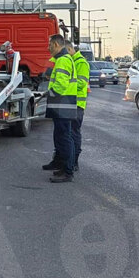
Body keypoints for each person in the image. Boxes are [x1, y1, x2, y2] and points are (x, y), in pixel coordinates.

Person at [42, 35, 77, 183]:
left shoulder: (63, 60)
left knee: (64, 138)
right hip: (63, 105)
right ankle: (62, 166)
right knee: (61, 137)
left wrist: (48, 93)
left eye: (50, 45)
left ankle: (67, 171)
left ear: (56, 44)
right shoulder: (63, 59)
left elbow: (61, 85)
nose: (48, 48)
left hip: (63, 105)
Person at [65, 40, 89, 173]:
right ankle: (69, 161)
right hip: (69, 102)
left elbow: (81, 84)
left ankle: (74, 162)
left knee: (74, 133)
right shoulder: (72, 61)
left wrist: (64, 84)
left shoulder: (81, 63)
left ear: (69, 50)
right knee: (68, 133)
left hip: (77, 104)